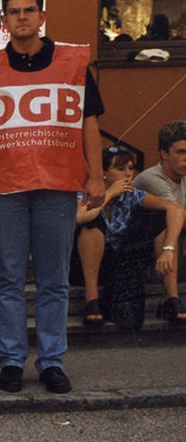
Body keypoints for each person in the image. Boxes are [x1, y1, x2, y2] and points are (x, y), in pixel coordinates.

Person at [0, 0, 105, 394]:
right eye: (12, 11)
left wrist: (96, 176)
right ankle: (10, 361)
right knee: (7, 278)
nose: (21, 17)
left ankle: (51, 361)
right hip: (4, 189)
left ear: (42, 16)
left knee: (54, 279)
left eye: (28, 10)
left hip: (57, 187)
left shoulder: (72, 63)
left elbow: (88, 122)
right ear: (3, 20)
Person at [76, 145, 184, 329]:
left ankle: (170, 298)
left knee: (162, 221)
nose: (128, 174)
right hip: (84, 265)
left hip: (119, 266)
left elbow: (176, 209)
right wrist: (109, 193)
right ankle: (91, 299)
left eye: (130, 168)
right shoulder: (85, 194)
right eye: (120, 169)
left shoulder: (132, 196)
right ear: (104, 174)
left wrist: (169, 249)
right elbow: (80, 217)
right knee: (91, 227)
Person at [133, 120, 186, 325]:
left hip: (170, 244)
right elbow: (176, 213)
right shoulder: (151, 178)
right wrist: (169, 248)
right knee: (167, 224)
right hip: (144, 247)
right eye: (180, 152)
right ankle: (171, 298)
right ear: (164, 154)